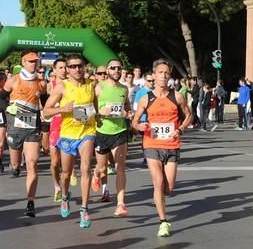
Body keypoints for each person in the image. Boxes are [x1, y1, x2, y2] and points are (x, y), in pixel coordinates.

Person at [132, 59, 192, 237]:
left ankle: (162, 199)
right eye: (160, 72)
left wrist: (180, 129)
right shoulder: (146, 98)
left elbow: (189, 116)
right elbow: (135, 120)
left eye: (167, 73)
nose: (164, 76)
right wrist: (139, 126)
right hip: (152, 144)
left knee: (169, 187)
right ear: (154, 75)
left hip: (172, 145)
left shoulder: (177, 96)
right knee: (158, 182)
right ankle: (163, 221)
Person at [43, 54, 96, 228]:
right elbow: (45, 111)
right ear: (67, 69)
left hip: (87, 132)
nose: (77, 69)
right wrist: (62, 109)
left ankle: (84, 209)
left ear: (84, 67)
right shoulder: (62, 87)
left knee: (86, 168)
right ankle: (65, 196)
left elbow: (94, 107)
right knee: (66, 173)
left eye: (79, 65)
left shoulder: (91, 85)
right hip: (67, 134)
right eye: (72, 66)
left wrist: (101, 114)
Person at [0, 50, 47, 217]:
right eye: (31, 61)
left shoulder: (42, 84)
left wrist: (47, 112)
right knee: (16, 163)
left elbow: (46, 103)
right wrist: (8, 108)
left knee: (32, 163)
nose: (34, 64)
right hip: (15, 127)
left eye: (36, 61)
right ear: (23, 62)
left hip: (33, 128)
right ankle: (15, 166)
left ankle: (30, 202)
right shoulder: (13, 81)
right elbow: (0, 99)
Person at [92, 58, 131, 216]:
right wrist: (101, 112)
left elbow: (127, 106)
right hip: (102, 132)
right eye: (113, 68)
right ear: (107, 71)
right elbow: (90, 109)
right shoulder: (98, 88)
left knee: (120, 167)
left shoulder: (124, 89)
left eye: (119, 68)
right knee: (102, 168)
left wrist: (127, 113)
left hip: (119, 132)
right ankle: (96, 174)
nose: (116, 71)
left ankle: (121, 203)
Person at [46, 58, 67, 202]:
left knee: (67, 161)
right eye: (60, 67)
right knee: (54, 162)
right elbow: (47, 107)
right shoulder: (50, 86)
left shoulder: (74, 85)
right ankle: (56, 186)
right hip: (55, 124)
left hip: (70, 124)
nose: (64, 70)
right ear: (54, 70)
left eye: (65, 67)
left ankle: (65, 188)